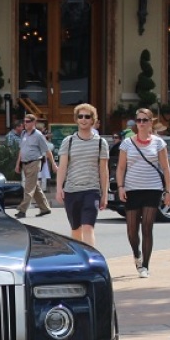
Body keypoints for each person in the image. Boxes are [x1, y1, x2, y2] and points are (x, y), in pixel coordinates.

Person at [115, 108, 170, 278]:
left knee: (147, 227)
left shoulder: (158, 142)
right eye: (138, 120)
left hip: (152, 188)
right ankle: (136, 254)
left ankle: (145, 266)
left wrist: (168, 191)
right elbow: (121, 167)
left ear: (150, 122)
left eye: (144, 120)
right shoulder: (127, 143)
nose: (140, 123)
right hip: (132, 189)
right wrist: (120, 186)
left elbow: (166, 167)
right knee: (132, 231)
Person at [54, 103, 109, 248]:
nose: (83, 119)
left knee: (88, 227)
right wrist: (59, 188)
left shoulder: (101, 143)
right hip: (72, 191)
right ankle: (79, 260)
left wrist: (105, 194)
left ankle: (91, 260)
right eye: (80, 116)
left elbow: (103, 170)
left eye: (87, 116)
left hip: (92, 190)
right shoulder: (69, 141)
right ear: (76, 119)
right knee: (76, 230)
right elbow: (63, 167)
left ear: (93, 120)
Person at [13, 114, 54, 219]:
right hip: (25, 164)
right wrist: (18, 164)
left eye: (27, 121)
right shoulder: (24, 134)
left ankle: (22, 210)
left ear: (33, 123)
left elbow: (47, 150)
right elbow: (21, 150)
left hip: (34, 163)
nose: (25, 124)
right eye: (24, 121)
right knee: (34, 187)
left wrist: (53, 164)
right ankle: (45, 208)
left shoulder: (39, 135)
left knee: (28, 187)